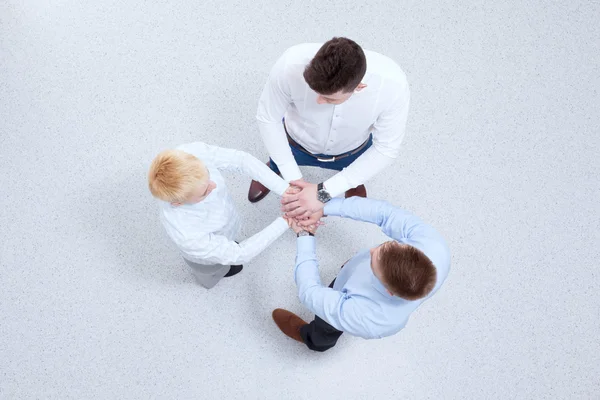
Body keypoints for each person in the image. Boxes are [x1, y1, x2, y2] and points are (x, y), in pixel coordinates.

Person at [249, 37, 410, 225]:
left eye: (329, 99)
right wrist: (294, 179)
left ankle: (353, 181)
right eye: (314, 91)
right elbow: (268, 119)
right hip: (296, 142)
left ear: (360, 87)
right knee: (279, 159)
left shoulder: (392, 85)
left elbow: (386, 149)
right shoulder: (289, 65)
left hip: (352, 151)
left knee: (357, 171)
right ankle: (275, 167)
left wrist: (324, 192)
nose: (318, 101)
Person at [273, 196, 450, 352]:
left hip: (349, 306)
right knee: (358, 263)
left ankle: (313, 340)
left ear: (388, 291)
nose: (371, 250)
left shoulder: (370, 319)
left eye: (373, 261)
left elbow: (309, 292)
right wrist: (323, 206)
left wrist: (305, 234)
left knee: (326, 327)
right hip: (358, 281)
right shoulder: (433, 245)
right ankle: (352, 268)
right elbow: (384, 213)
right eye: (384, 246)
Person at [148, 142, 292, 289]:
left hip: (226, 229)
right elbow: (240, 254)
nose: (214, 185)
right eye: (204, 192)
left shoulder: (188, 155)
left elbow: (242, 160)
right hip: (206, 261)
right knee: (212, 274)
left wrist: (287, 192)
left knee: (229, 251)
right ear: (178, 203)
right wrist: (286, 221)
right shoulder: (187, 234)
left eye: (208, 174)